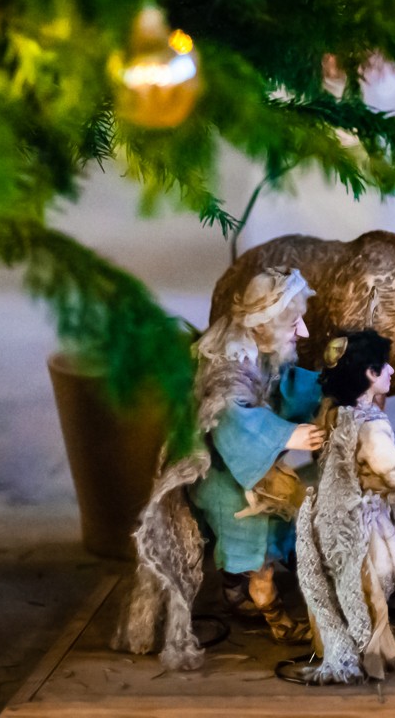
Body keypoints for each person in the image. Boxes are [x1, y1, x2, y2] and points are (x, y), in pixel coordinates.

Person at [114, 266, 327, 670]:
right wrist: (286, 435)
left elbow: (283, 385)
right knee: (256, 532)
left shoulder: (261, 348)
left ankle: (237, 587)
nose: (302, 332)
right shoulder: (229, 366)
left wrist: (324, 388)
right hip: (222, 472)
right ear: (262, 326)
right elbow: (232, 419)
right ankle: (268, 610)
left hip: (243, 463)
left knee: (281, 512)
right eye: (293, 323)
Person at [296, 331, 395, 683]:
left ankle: (383, 650)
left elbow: (364, 465)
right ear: (367, 374)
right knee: (370, 592)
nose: (391, 371)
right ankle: (373, 657)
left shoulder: (340, 413)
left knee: (364, 590)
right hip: (356, 524)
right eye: (382, 367)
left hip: (339, 514)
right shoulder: (371, 425)